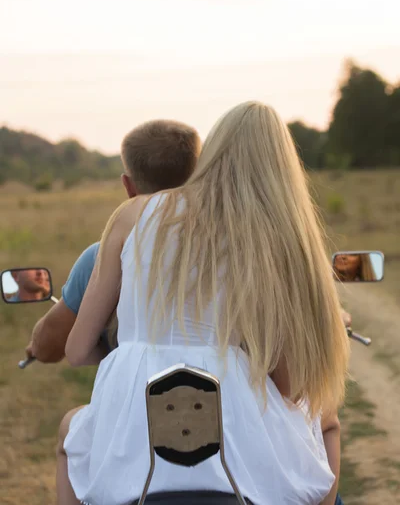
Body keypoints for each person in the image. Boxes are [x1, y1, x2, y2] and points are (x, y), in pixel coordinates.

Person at [57, 102, 350, 505]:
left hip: (133, 430)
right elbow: (285, 383)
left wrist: (133, 352)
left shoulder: (130, 215)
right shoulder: (263, 232)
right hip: (235, 426)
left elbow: (74, 350)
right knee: (325, 425)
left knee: (72, 441)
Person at [25, 120, 201, 362]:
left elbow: (57, 345)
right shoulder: (229, 250)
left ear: (128, 187)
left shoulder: (100, 258)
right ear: (198, 177)